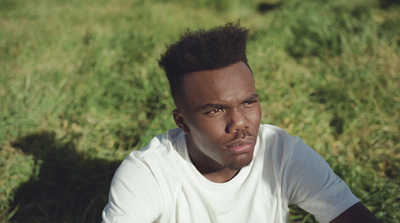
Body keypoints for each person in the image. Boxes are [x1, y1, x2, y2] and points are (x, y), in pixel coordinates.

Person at [102, 22, 380, 223]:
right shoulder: (149, 173)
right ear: (182, 122)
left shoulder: (281, 154)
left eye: (248, 103)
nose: (239, 123)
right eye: (215, 110)